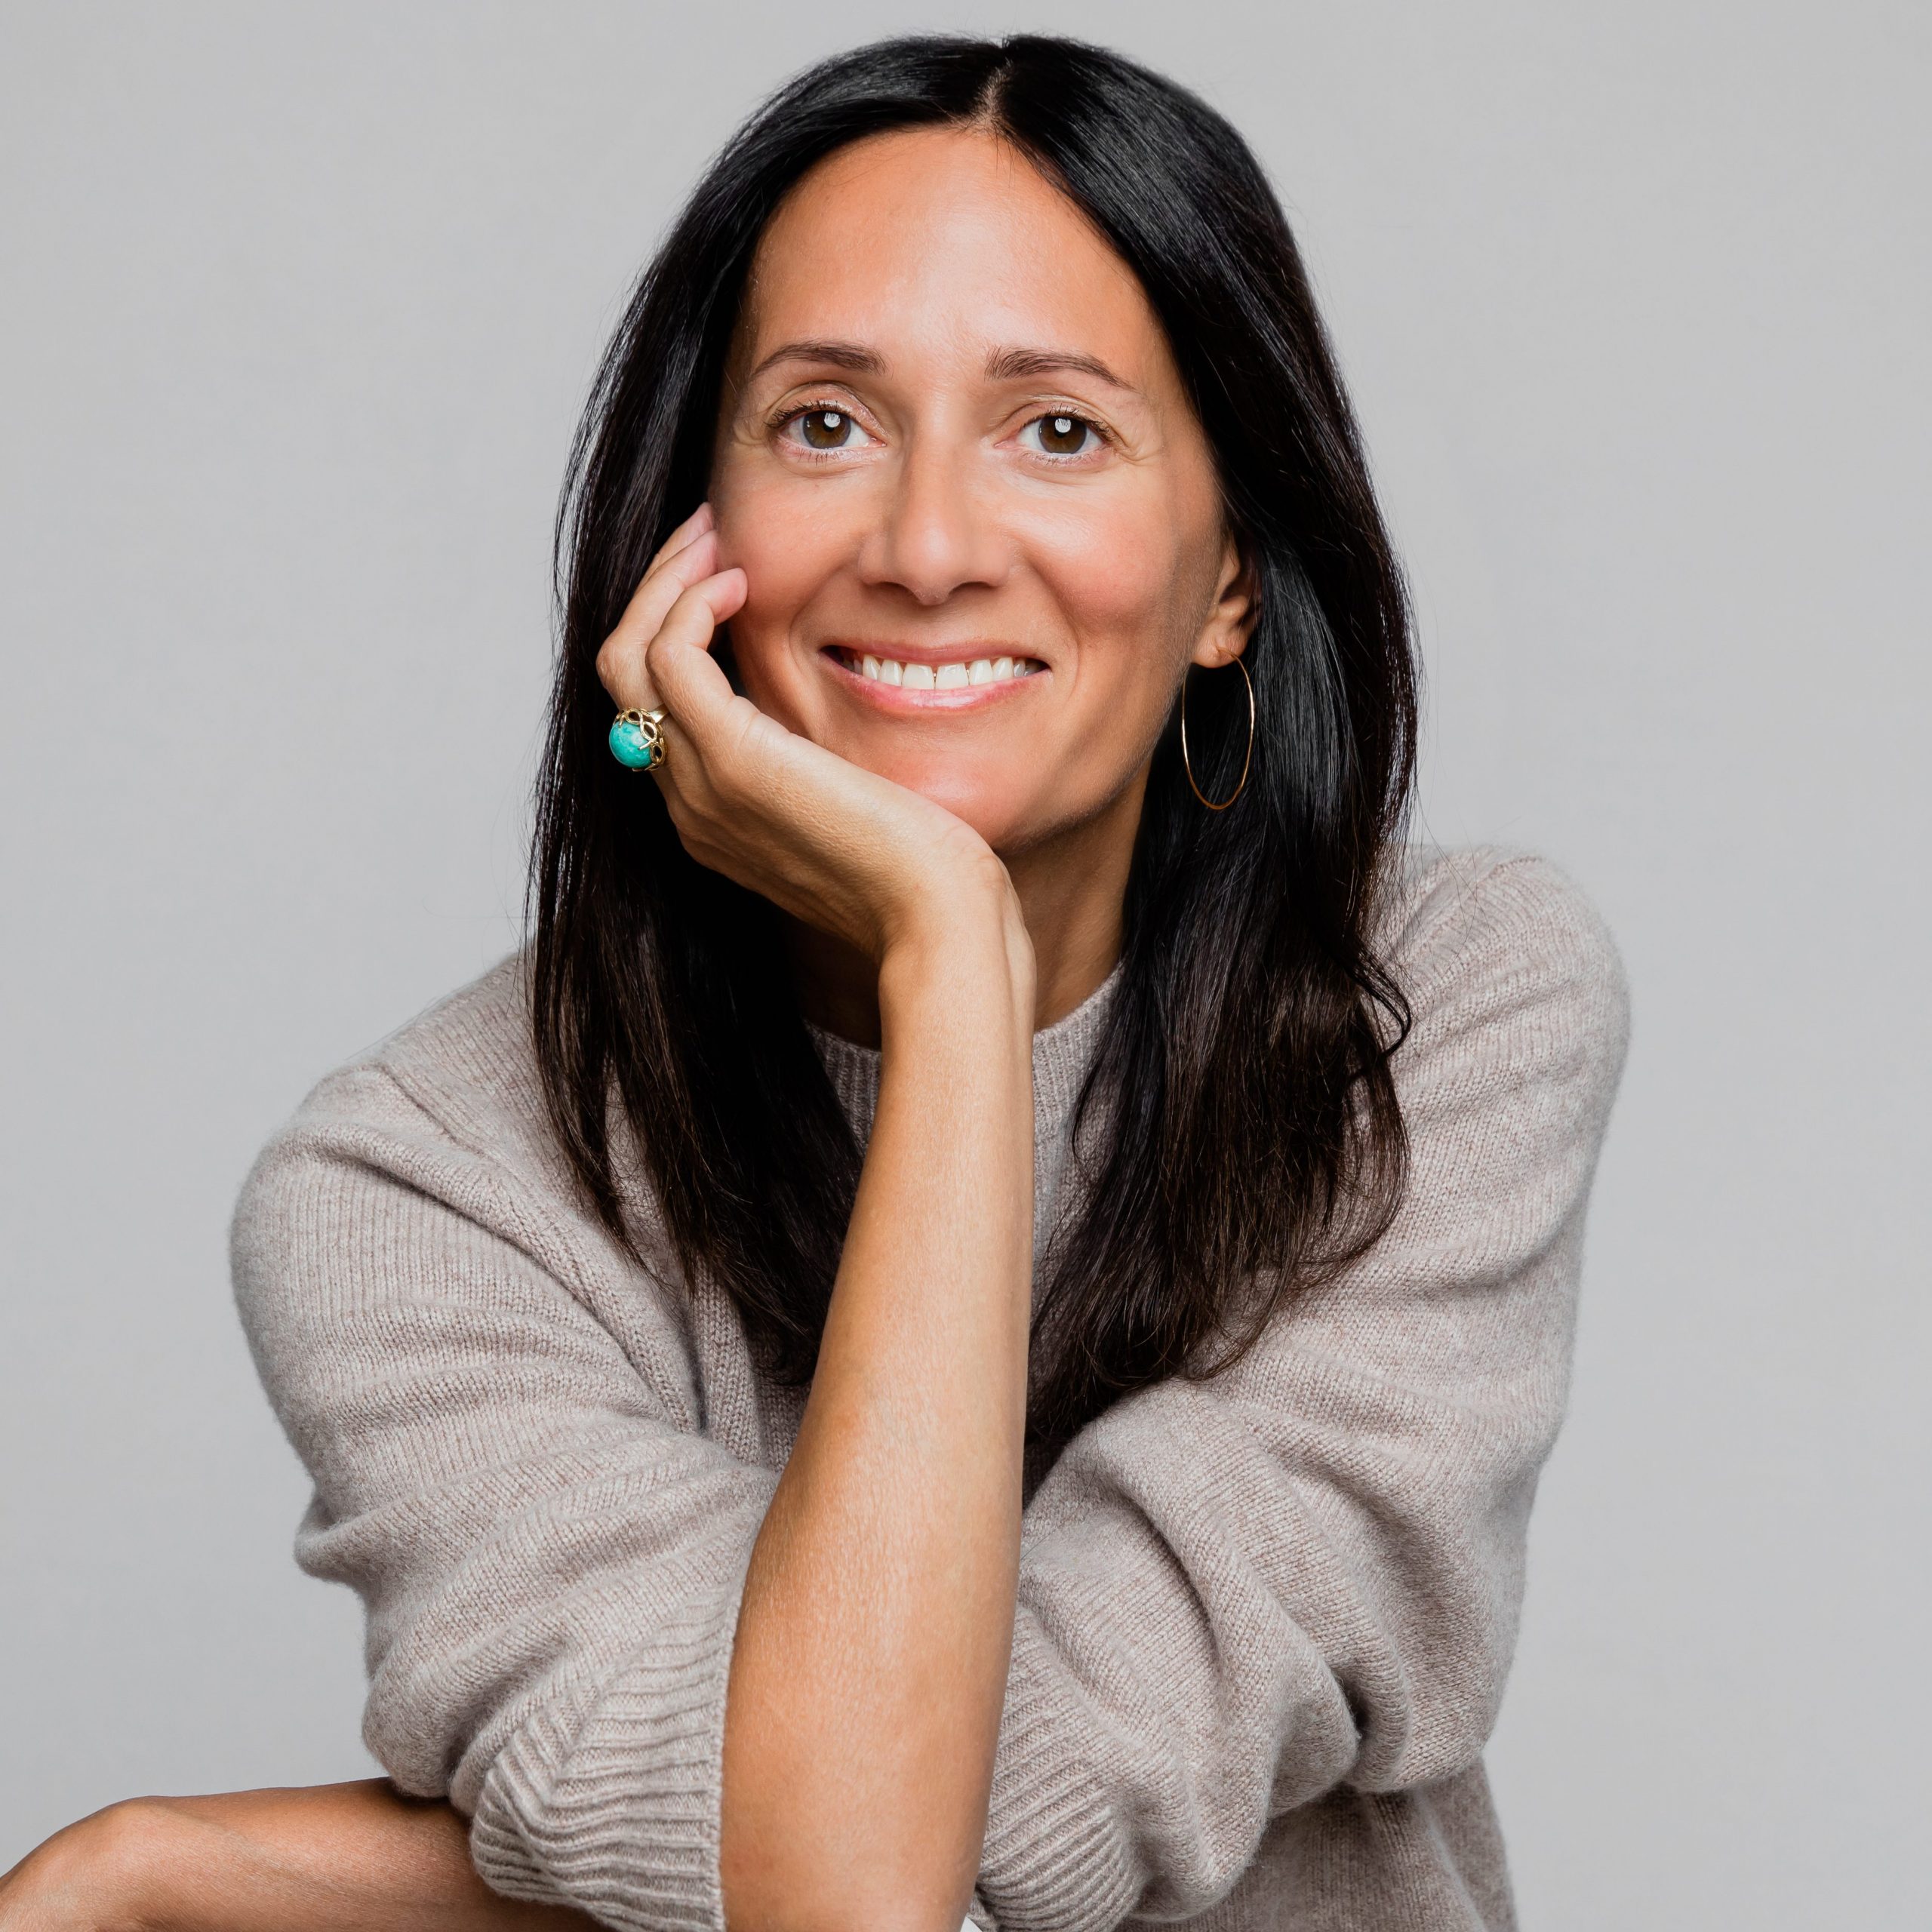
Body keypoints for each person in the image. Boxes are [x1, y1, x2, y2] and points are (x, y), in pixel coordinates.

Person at [0, 32, 1628, 1932]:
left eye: (1056, 431)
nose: (926, 549)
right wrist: (957, 958)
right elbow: (842, 1885)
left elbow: (885, 1855)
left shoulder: (1430, 1018)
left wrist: (186, 1868)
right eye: (824, 425)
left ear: (1228, 583)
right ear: (687, 532)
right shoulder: (414, 1195)